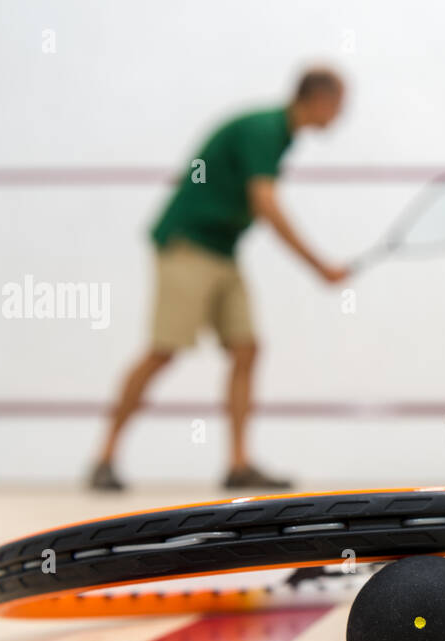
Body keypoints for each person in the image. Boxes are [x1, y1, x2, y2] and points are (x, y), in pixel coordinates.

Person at [90, 67, 348, 491]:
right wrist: (318, 265)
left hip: (223, 251)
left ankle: (238, 465)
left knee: (246, 348)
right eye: (339, 104)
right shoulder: (265, 129)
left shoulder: (280, 134)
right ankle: (104, 459)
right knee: (163, 351)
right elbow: (265, 204)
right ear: (319, 99)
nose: (341, 114)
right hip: (188, 244)